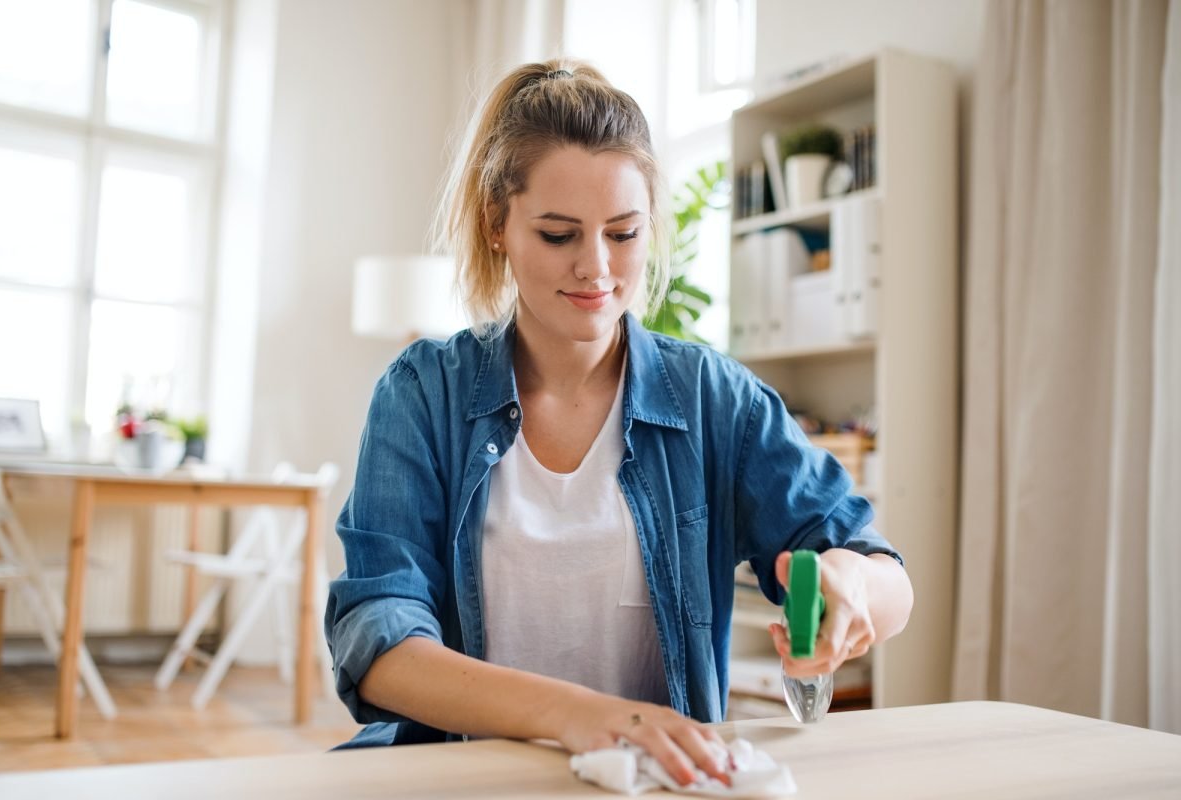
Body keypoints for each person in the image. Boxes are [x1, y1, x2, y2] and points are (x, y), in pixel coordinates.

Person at [325, 58, 913, 787]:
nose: (596, 268)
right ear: (497, 225)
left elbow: (880, 569)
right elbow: (376, 641)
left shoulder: (712, 399)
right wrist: (580, 715)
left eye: (624, 233)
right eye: (558, 234)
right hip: (461, 780)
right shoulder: (421, 395)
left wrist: (853, 587)